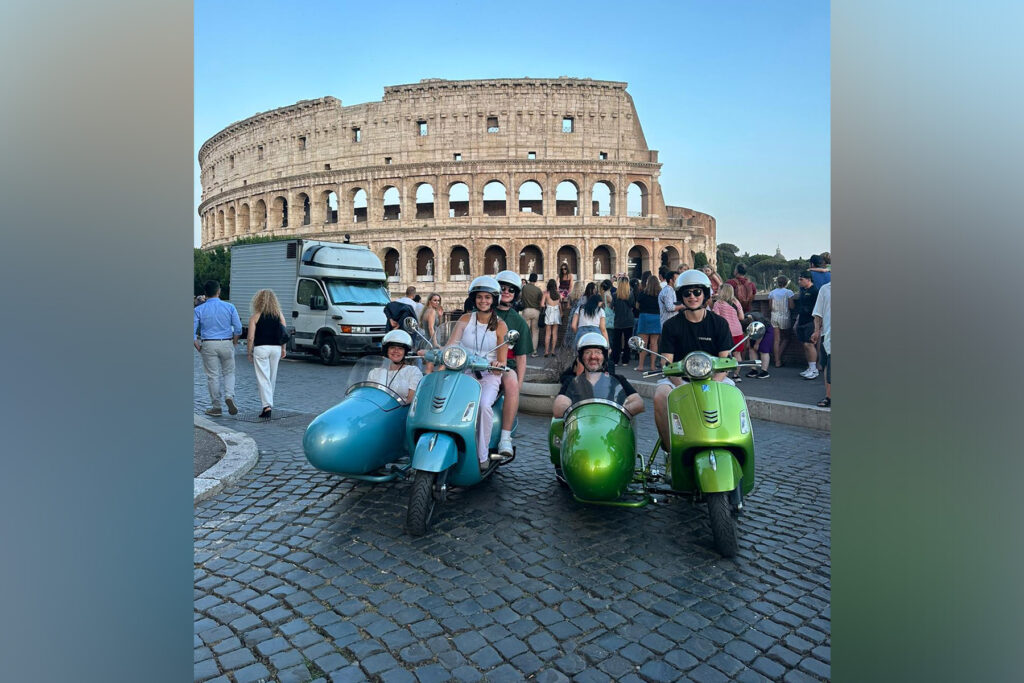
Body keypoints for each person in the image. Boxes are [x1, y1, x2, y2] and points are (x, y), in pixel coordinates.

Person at [653, 270, 734, 452]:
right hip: (679, 380)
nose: (692, 297)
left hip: (714, 380)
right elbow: (667, 363)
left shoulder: (719, 323)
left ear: (705, 294)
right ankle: (670, 450)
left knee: (735, 397)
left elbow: (725, 362)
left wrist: (712, 384)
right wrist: (681, 385)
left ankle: (731, 444)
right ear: (681, 296)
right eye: (686, 293)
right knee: (660, 396)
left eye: (697, 292)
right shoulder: (671, 326)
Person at [445, 276, 510, 470]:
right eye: (480, 297)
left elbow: (503, 359)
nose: (483, 301)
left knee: (483, 406)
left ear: (494, 300)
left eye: (488, 298)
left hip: (489, 375)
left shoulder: (501, 325)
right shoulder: (466, 319)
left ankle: (482, 455)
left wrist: (497, 363)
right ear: (474, 298)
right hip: (463, 371)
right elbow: (451, 344)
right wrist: (438, 355)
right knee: (448, 401)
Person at [552, 333, 644, 419]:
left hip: (611, 428)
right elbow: (559, 407)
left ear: (604, 356)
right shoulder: (572, 381)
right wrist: (574, 412)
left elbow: (638, 403)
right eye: (587, 352)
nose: (593, 356)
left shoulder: (618, 380)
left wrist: (617, 413)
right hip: (582, 428)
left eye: (598, 352)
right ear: (581, 357)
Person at [494, 270, 535, 456]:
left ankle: (505, 437)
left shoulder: (518, 321)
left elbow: (521, 356)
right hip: (477, 362)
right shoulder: (482, 311)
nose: (506, 291)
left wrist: (519, 384)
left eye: (511, 289)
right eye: (502, 288)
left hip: (505, 365)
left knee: (511, 383)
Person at [193, 280, 243, 416]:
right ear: (219, 291)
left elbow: (192, 330)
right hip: (226, 342)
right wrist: (234, 341)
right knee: (229, 372)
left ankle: (216, 407)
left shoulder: (198, 310)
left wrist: (196, 343)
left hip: (208, 343)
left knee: (212, 376)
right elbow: (238, 328)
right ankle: (229, 396)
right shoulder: (230, 307)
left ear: (205, 293)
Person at [246, 289, 288, 419]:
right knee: (271, 377)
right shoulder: (279, 314)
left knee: (262, 377)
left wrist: (249, 352)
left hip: (261, 348)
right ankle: (269, 403)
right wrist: (283, 348)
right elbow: (284, 333)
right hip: (275, 348)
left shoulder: (256, 316)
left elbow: (250, 337)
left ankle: (266, 406)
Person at [368, 330, 423, 404]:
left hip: (400, 413)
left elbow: (411, 400)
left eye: (400, 348)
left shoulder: (413, 371)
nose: (396, 351)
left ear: (405, 352)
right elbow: (368, 396)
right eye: (392, 347)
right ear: (386, 350)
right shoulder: (374, 372)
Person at [711, 283, 746, 382]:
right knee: (737, 354)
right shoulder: (736, 302)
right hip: (738, 331)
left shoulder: (718, 303)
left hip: (725, 331)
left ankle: (723, 374)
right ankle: (736, 375)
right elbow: (742, 317)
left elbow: (717, 318)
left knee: (723, 354)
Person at [791, 271, 820, 379]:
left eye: (801, 279)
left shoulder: (814, 291)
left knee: (809, 344)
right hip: (802, 320)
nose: (799, 282)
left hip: (810, 321)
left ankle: (814, 369)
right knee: (805, 344)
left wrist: (817, 324)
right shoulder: (803, 290)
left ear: (808, 279)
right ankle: (810, 367)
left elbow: (817, 308)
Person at [634, 275, 662, 371]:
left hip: (644, 317)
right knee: (654, 343)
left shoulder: (643, 293)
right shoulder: (660, 293)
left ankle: (641, 366)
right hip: (656, 318)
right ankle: (652, 366)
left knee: (643, 343)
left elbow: (637, 306)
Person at [810, 281, 831, 407]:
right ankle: (829, 396)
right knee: (827, 366)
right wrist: (816, 331)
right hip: (828, 334)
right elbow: (818, 313)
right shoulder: (825, 289)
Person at [768, 276, 795, 367]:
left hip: (774, 316)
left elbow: (770, 307)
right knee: (787, 338)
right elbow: (791, 306)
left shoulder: (772, 293)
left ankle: (777, 361)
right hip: (785, 316)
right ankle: (778, 358)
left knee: (776, 340)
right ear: (786, 283)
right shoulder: (789, 292)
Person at [610, 276, 636, 369]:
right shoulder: (630, 294)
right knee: (627, 341)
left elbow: (611, 307)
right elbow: (633, 305)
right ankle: (625, 360)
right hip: (628, 320)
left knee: (616, 342)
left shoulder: (614, 295)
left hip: (618, 321)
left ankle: (615, 360)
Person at [744, 311, 773, 379]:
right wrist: (748, 342)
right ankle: (754, 370)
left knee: (763, 350)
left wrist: (757, 344)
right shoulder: (743, 321)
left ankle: (764, 371)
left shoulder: (759, 319)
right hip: (753, 330)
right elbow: (747, 332)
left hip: (765, 330)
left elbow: (761, 332)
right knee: (751, 349)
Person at [520, 273, 543, 355]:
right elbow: (541, 302)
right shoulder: (538, 290)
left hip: (526, 310)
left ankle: (524, 350)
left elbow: (520, 297)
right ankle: (534, 351)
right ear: (536, 280)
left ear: (529, 279)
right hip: (536, 311)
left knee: (525, 331)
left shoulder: (524, 288)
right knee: (535, 332)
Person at [540, 279, 562, 357]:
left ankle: (546, 351)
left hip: (549, 312)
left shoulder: (546, 293)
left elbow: (542, 304)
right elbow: (559, 304)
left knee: (548, 333)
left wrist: (546, 305)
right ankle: (553, 351)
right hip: (556, 312)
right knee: (555, 333)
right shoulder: (558, 294)